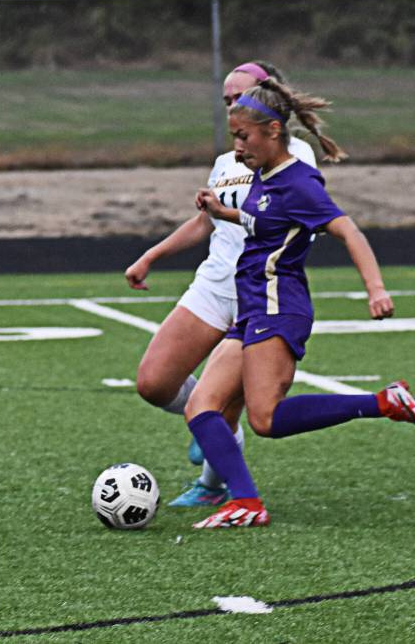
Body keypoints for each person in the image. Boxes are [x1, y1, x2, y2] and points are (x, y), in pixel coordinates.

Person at [185, 78, 415, 528]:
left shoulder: (300, 182)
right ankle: (246, 503)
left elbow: (347, 230)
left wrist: (375, 289)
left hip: (278, 305)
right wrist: (226, 214)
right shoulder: (266, 173)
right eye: (234, 137)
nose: (237, 148)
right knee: (201, 406)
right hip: (252, 304)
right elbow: (269, 220)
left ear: (274, 131)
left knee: (265, 418)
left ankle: (382, 402)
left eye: (243, 137)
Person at [124, 62, 323, 507]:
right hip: (214, 286)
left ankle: (214, 485)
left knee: (226, 404)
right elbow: (204, 223)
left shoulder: (296, 155)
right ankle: (213, 424)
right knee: (153, 383)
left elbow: (291, 216)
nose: (233, 107)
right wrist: (150, 256)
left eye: (242, 98)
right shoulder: (225, 162)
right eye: (227, 100)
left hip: (262, 294)